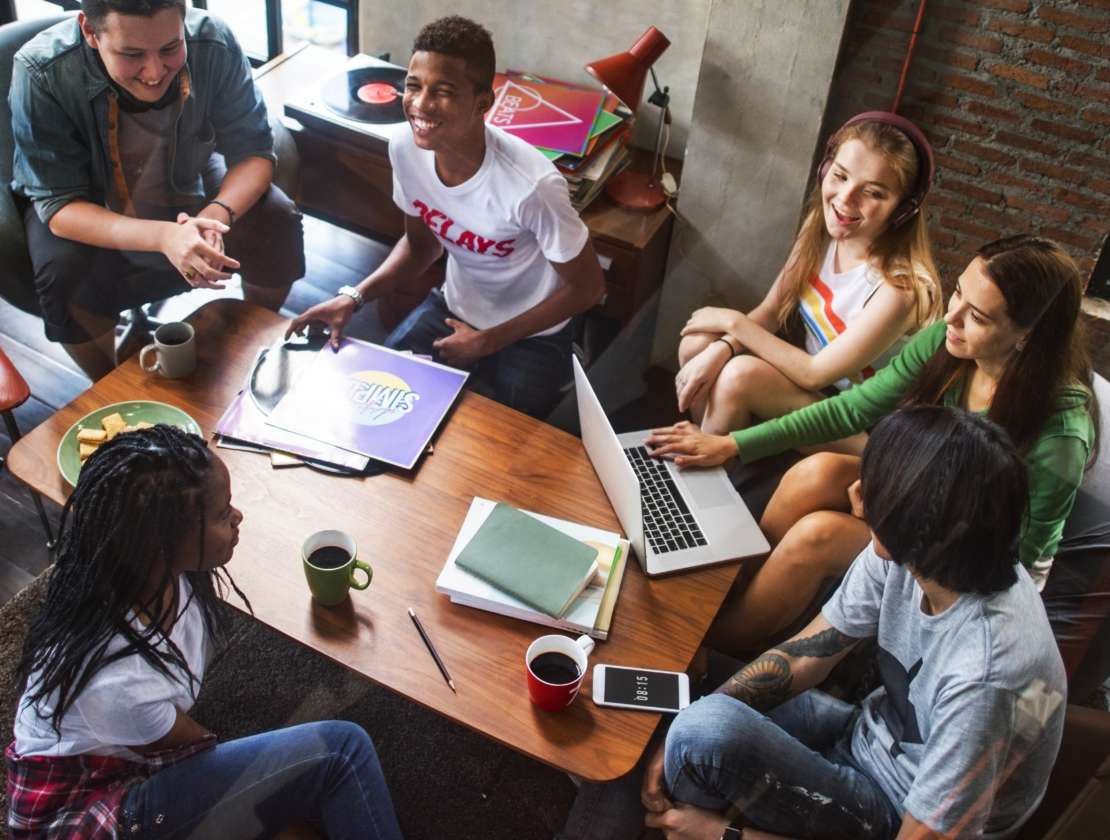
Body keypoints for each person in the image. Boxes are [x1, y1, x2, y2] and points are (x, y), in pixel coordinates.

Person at [563, 407, 1067, 839]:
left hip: (896, 812)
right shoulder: (925, 555)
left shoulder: (987, 678)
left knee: (701, 731)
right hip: (863, 734)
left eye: (875, 487)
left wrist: (725, 835)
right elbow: (808, 655)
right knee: (673, 674)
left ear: (920, 524)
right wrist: (680, 723)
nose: (855, 493)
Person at [649, 235, 1096, 653]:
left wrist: (893, 523)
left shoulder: (1061, 435)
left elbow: (1018, 559)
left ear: (1028, 335)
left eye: (977, 317)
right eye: (958, 294)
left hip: (968, 553)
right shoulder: (949, 345)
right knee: (815, 473)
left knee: (817, 536)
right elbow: (849, 411)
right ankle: (726, 590)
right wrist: (731, 444)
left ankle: (707, 645)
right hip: (922, 494)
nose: (951, 317)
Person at [6, 426, 403, 840]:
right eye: (222, 513)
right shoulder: (117, 681)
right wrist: (269, 796)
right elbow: (196, 752)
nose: (238, 516)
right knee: (342, 750)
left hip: (125, 752)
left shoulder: (149, 571)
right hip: (81, 811)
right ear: (163, 542)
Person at [286, 16, 604, 420]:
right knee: (382, 402)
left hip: (535, 332)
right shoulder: (404, 147)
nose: (420, 104)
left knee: (504, 436)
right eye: (414, 86)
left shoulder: (533, 186)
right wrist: (354, 297)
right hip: (454, 307)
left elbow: (588, 289)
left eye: (443, 91)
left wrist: (487, 341)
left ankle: (567, 358)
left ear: (482, 104)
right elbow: (420, 247)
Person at [10, 0, 305, 381]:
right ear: (89, 31)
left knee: (276, 217)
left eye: (170, 48)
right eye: (132, 54)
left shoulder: (212, 40)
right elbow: (60, 205)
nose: (154, 72)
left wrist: (216, 215)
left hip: (188, 170)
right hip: (86, 197)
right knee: (63, 272)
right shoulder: (40, 71)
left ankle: (256, 336)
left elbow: (254, 151)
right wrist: (166, 237)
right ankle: (107, 382)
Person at [673, 112, 940, 438]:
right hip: (816, 391)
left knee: (739, 375)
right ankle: (713, 448)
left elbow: (814, 373)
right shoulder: (824, 227)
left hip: (860, 425)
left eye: (872, 192)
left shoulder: (901, 289)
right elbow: (772, 312)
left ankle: (710, 456)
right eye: (840, 176)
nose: (845, 199)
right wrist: (723, 347)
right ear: (825, 169)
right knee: (698, 344)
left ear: (904, 208)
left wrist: (732, 322)